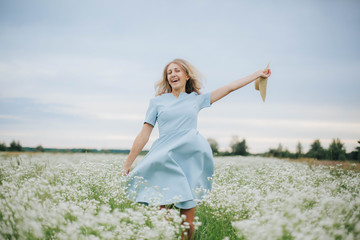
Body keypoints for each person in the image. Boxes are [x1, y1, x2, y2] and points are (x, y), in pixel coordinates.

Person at [123, 58, 271, 239]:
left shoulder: (196, 99)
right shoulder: (157, 102)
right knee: (165, 221)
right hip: (165, 161)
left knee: (188, 225)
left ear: (186, 75)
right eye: (169, 72)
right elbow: (144, 134)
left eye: (177, 71)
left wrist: (256, 74)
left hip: (190, 161)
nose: (173, 75)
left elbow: (229, 87)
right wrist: (128, 163)